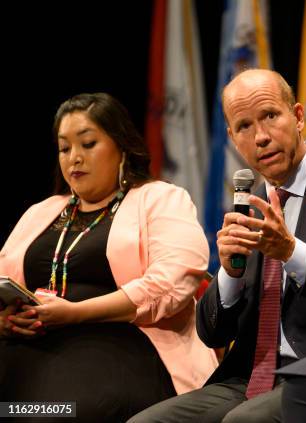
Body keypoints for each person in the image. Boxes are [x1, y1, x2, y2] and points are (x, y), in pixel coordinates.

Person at [129, 69, 306, 422]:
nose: (260, 136)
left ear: (299, 116)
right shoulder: (251, 204)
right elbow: (213, 333)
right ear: (231, 137)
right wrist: (229, 273)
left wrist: (290, 252)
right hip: (246, 380)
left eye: (271, 116)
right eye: (244, 126)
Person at [0, 93, 218, 421]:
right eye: (64, 148)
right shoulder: (40, 212)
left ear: (122, 147)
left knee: (55, 414)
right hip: (27, 350)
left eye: (87, 144)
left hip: (125, 348)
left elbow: (172, 283)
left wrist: (75, 313)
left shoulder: (160, 198)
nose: (74, 158)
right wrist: (3, 321)